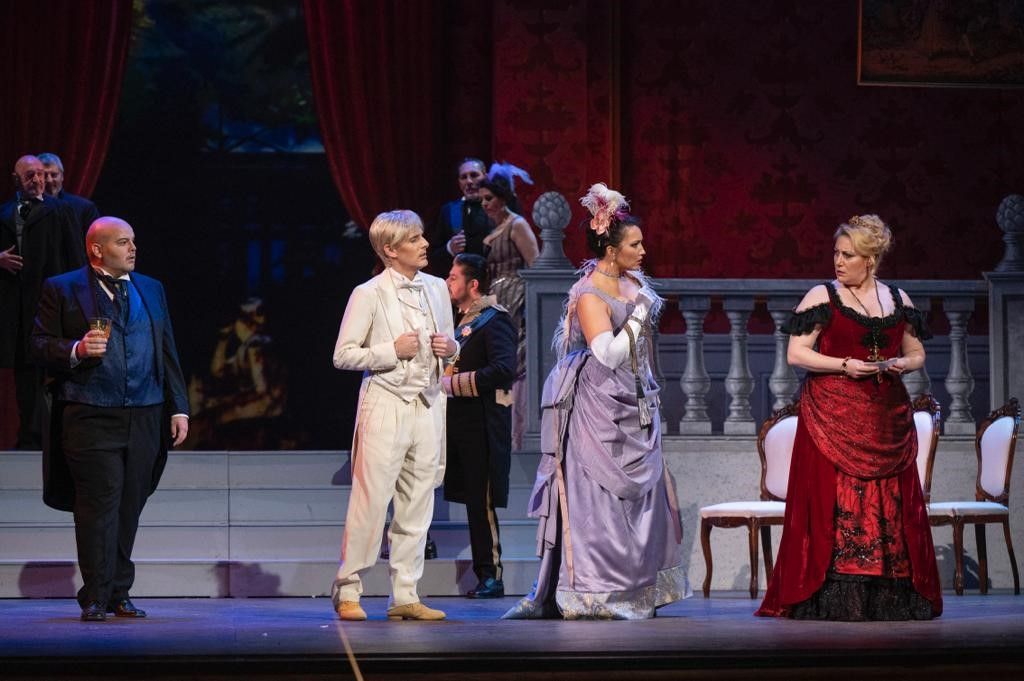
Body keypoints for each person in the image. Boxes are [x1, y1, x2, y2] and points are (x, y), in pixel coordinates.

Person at [503, 183, 690, 620]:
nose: (643, 251)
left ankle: (638, 587)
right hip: (599, 405)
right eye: (634, 244)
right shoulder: (590, 294)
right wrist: (639, 312)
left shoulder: (633, 284)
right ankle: (597, 591)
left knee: (642, 499)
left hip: (636, 402)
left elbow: (639, 352)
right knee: (601, 499)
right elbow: (606, 354)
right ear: (610, 249)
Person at [757, 214, 942, 621]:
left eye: (848, 255)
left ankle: (887, 590)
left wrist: (902, 363)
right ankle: (832, 591)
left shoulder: (898, 299)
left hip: (884, 414)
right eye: (837, 253)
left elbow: (917, 352)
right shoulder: (823, 296)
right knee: (840, 499)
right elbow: (796, 353)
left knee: (886, 500)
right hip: (833, 416)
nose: (838, 262)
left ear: (870, 260)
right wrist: (844, 365)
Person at [30, 217, 189, 622]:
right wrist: (77, 349)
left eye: (133, 241)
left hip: (145, 413)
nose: (133, 248)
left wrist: (179, 406)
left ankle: (119, 592)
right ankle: (96, 595)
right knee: (98, 505)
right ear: (97, 250)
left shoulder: (151, 288)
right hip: (90, 413)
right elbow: (38, 344)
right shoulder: (63, 287)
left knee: (130, 505)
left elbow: (166, 349)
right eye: (123, 242)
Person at [330, 209, 458, 622]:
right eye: (415, 239)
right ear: (390, 249)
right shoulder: (368, 293)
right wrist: (391, 351)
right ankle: (349, 589)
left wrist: (451, 348)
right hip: (386, 401)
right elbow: (343, 355)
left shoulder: (436, 288)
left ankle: (405, 594)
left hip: (428, 403)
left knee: (417, 504)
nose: (425, 244)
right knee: (370, 503)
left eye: (422, 236)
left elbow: (450, 342)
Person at [443, 253, 517, 599]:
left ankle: (491, 576)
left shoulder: (494, 320)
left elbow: (504, 370)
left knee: (480, 502)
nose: (448, 282)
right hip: (457, 422)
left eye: (454, 277)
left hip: (482, 423)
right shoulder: (459, 322)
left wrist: (453, 385)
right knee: (464, 497)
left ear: (473, 284)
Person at [1, 155, 86, 449]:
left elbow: (76, 258)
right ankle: (29, 436)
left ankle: (59, 436)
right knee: (25, 374)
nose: (38, 180)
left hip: (51, 304)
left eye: (40, 174)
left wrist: (77, 304)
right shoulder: (5, 212)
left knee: (57, 370)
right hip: (18, 308)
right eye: (30, 176)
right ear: (16, 180)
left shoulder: (61, 210)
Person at [479, 162, 539, 451]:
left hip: (515, 301)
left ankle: (518, 434)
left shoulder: (517, 225)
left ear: (503, 198)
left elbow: (536, 266)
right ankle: (501, 431)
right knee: (497, 362)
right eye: (482, 199)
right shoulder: (496, 228)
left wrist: (525, 304)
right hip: (496, 301)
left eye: (489, 198)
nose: (484, 204)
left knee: (514, 363)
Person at [425, 157, 491, 277]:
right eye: (463, 177)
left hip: (495, 280)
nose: (469, 181)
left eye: (474, 175)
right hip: (462, 282)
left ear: (485, 177)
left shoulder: (498, 207)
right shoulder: (449, 211)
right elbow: (433, 256)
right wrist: (449, 248)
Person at [38, 153, 100, 235]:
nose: (49, 180)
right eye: (44, 175)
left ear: (62, 176)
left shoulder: (85, 208)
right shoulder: (26, 207)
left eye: (54, 175)